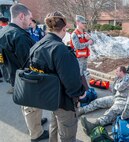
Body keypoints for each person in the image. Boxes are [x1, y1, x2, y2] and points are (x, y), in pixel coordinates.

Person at [29, 11, 86, 142]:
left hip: (48, 97)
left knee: (54, 123)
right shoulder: (60, 50)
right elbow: (72, 83)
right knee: (67, 134)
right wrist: (80, 94)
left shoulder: (36, 45)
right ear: (64, 28)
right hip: (64, 101)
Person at [0, 4, 48, 142]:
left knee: (26, 105)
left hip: (12, 76)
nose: (30, 21)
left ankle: (34, 124)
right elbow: (30, 62)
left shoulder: (4, 31)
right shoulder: (19, 36)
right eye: (29, 18)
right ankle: (36, 133)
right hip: (25, 79)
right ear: (22, 16)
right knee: (31, 106)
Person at [80, 66, 129, 135]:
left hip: (123, 100)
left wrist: (116, 82)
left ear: (121, 72)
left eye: (117, 71)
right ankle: (82, 110)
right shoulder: (119, 78)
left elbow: (119, 87)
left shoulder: (128, 79)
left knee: (111, 111)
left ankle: (94, 125)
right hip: (116, 97)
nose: (115, 72)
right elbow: (114, 90)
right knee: (98, 101)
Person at [70, 15, 93, 89]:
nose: (84, 25)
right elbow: (77, 46)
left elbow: (92, 41)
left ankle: (84, 89)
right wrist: (88, 42)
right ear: (77, 23)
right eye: (83, 23)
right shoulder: (74, 34)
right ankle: (78, 90)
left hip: (84, 57)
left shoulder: (84, 33)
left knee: (84, 74)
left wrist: (89, 39)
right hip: (78, 58)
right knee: (78, 75)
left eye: (85, 23)